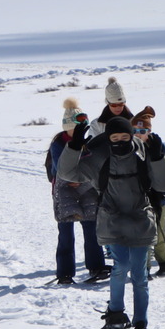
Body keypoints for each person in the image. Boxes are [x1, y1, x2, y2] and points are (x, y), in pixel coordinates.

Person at [57, 113, 165, 329]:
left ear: (130, 136)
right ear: (108, 138)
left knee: (140, 274)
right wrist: (74, 146)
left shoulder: (142, 156)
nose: (120, 141)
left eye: (124, 136)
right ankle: (116, 313)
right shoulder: (99, 160)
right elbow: (67, 172)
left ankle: (141, 325)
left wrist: (159, 158)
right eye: (115, 137)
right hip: (112, 220)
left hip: (140, 219)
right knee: (121, 265)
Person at [47, 98, 107, 285]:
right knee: (66, 231)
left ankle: (96, 266)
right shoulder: (58, 143)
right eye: (76, 128)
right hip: (64, 190)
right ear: (67, 127)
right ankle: (65, 273)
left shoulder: (88, 142)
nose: (81, 132)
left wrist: (84, 177)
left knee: (91, 228)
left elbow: (92, 163)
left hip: (87, 187)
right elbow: (60, 167)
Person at [132, 107, 165, 277]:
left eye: (143, 131)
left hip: (159, 197)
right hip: (137, 199)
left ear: (149, 132)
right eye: (135, 130)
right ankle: (144, 267)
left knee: (159, 231)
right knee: (142, 235)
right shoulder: (129, 147)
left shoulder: (159, 146)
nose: (139, 134)